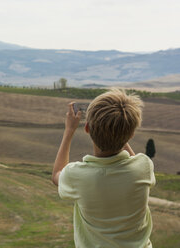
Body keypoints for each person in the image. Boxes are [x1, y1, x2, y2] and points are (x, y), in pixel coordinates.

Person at [52, 89, 155, 248]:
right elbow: (131, 159)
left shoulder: (78, 176)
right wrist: (120, 129)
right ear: (131, 134)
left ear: (87, 129)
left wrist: (69, 130)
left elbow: (57, 175)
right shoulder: (143, 166)